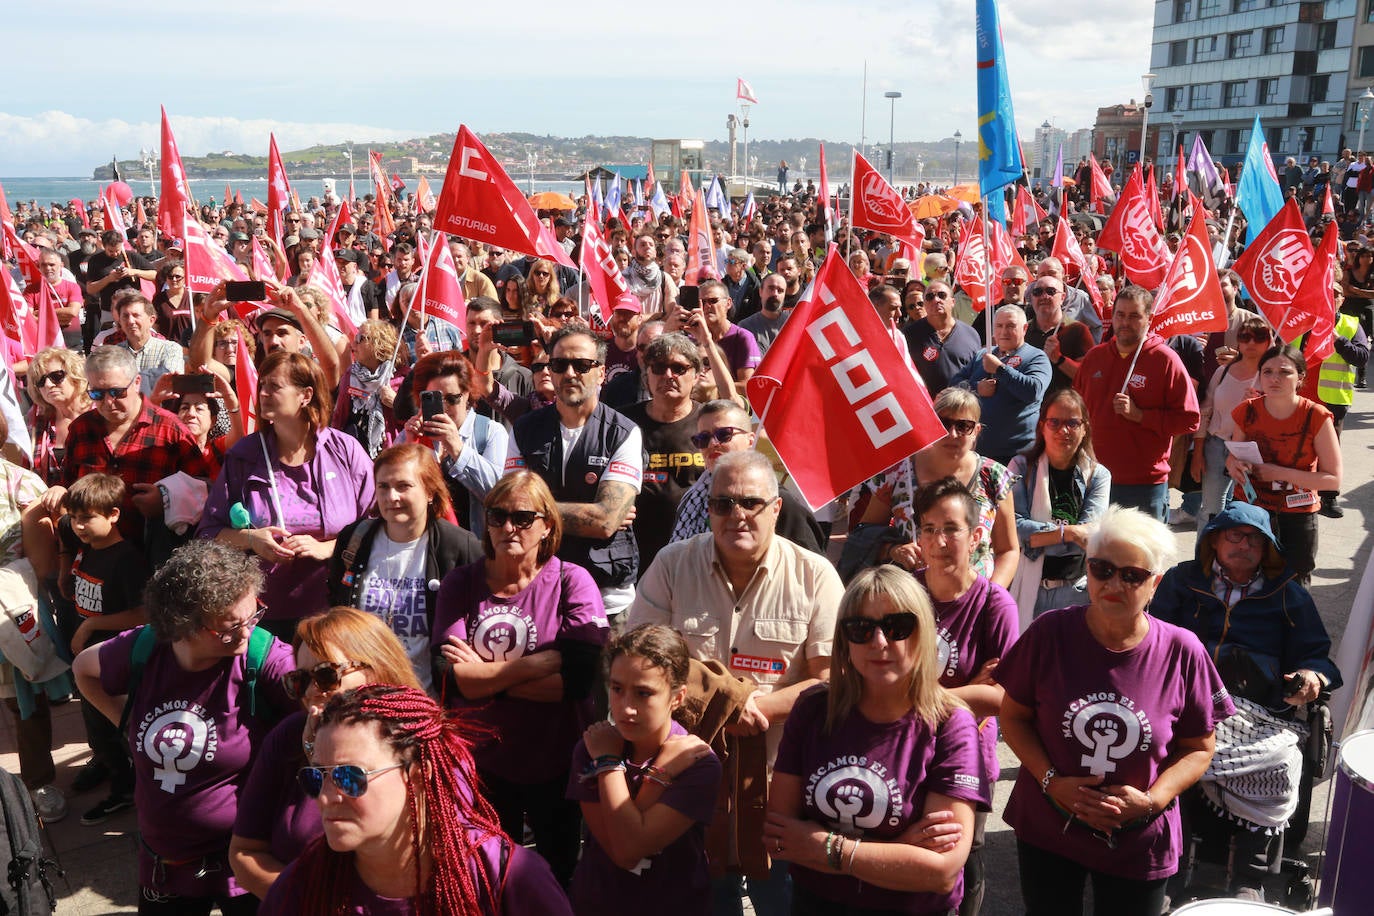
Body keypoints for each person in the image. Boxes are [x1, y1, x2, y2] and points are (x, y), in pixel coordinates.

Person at [628, 450, 842, 916]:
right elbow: (638, 655)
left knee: (785, 904)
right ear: (707, 509)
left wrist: (758, 709)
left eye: (750, 503)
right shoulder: (672, 564)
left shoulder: (815, 574)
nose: (736, 515)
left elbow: (833, 681)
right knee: (706, 903)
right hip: (686, 784)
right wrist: (726, 701)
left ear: (776, 508)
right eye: (722, 504)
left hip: (782, 784)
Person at [997, 506, 1234, 916]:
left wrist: (1152, 801)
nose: (1113, 583)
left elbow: (1199, 746)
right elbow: (1013, 717)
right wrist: (1052, 782)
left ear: (1155, 584)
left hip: (1139, 839)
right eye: (1102, 569)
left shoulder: (1183, 651)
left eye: (1132, 575)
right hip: (1049, 826)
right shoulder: (1049, 632)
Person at [72, 540, 294, 913]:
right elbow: (83, 669)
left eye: (252, 616)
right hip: (167, 866)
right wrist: (126, 726)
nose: (246, 633)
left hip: (243, 865)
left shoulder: (259, 656)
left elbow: (326, 695)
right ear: (182, 625)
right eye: (229, 627)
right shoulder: (143, 649)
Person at [764, 565, 989, 915]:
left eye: (897, 627)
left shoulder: (950, 723)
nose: (879, 642)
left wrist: (827, 847)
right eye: (861, 629)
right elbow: (780, 838)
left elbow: (941, 871)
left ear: (924, 633)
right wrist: (899, 849)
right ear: (844, 640)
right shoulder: (812, 710)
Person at [1152, 504, 1341, 901]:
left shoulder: (1287, 592)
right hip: (1190, 700)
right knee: (1168, 750)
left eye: (1253, 538)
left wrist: (1312, 677)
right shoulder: (1182, 581)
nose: (1244, 544)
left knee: (1280, 761)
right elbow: (1151, 636)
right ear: (1214, 542)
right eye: (1234, 536)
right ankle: (1173, 864)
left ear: (1267, 547)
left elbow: (1317, 655)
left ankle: (1249, 877)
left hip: (1263, 711)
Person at [433, 472, 609, 887]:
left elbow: (577, 682)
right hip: (482, 763)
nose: (508, 527)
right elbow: (452, 681)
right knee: (490, 876)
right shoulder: (462, 582)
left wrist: (486, 677)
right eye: (497, 516)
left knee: (559, 875)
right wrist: (536, 665)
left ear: (547, 524)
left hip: (559, 763)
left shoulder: (571, 581)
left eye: (523, 517)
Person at [258, 684, 572, 914]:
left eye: (349, 777)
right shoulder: (303, 887)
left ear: (420, 776)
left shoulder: (504, 877)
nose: (325, 798)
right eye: (316, 777)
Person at [229, 607, 423, 900]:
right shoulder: (288, 736)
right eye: (300, 679)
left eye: (326, 674)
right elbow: (244, 852)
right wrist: (312, 903)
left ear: (378, 667)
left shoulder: (423, 741)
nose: (311, 691)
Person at [201, 351, 375, 641]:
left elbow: (377, 525)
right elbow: (208, 532)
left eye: (275, 386)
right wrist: (250, 539)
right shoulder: (244, 456)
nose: (264, 393)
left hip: (336, 611)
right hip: (263, 616)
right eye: (262, 385)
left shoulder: (345, 451)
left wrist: (331, 547)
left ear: (306, 395)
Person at [912, 480, 1018, 916]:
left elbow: (1000, 697)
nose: (939, 541)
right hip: (904, 753)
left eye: (951, 528)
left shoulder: (994, 604)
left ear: (977, 536)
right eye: (929, 528)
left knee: (963, 863)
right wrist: (967, 688)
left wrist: (916, 695)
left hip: (966, 758)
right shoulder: (902, 593)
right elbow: (873, 681)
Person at [566, 624, 721, 914]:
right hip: (599, 904)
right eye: (617, 689)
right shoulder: (592, 748)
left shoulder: (698, 761)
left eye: (643, 693)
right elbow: (619, 848)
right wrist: (657, 775)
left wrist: (609, 765)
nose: (626, 708)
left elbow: (629, 849)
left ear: (677, 697)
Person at [505, 327, 642, 620]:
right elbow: (508, 509)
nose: (569, 373)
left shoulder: (624, 433)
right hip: (539, 592)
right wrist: (590, 512)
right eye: (559, 365)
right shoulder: (524, 429)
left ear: (601, 373)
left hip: (606, 600)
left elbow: (605, 521)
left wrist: (533, 512)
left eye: (581, 365)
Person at [327, 444, 482, 690]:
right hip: (361, 701)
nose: (392, 497)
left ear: (430, 491)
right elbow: (335, 608)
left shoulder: (459, 546)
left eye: (403, 486)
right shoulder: (353, 540)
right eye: (384, 487)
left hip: (426, 701)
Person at [37, 346, 209, 549]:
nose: (108, 402)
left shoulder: (171, 430)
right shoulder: (81, 429)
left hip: (150, 559)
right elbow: (70, 486)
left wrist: (166, 499)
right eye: (97, 394)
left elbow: (204, 488)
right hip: (94, 560)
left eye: (117, 392)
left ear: (137, 383)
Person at [56, 474, 149, 823]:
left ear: (113, 514)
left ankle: (128, 790)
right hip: (88, 663)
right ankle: (118, 777)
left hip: (113, 663)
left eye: (86, 517)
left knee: (119, 730)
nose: (78, 525)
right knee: (97, 730)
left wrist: (92, 625)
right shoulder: (87, 549)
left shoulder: (127, 559)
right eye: (74, 518)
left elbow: (142, 613)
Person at [861, 387, 1019, 588]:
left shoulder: (994, 476)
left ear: (976, 431)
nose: (952, 434)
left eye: (963, 426)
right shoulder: (898, 472)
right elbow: (864, 533)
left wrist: (990, 597)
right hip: (908, 597)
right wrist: (893, 550)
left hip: (971, 603)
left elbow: (1008, 550)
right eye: (943, 424)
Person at [1073, 285, 1200, 522]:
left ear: (1149, 319)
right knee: (1095, 555)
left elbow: (1189, 420)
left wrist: (1141, 415)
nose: (1125, 322)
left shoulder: (1165, 359)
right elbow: (1077, 408)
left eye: (1134, 316)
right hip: (1094, 477)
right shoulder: (1095, 357)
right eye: (1120, 315)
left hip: (1143, 484)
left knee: (1142, 558)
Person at [1225, 344, 1341, 584]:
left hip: (1297, 515)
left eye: (1284, 372)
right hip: (1251, 509)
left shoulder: (1316, 416)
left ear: (1301, 377)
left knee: (1294, 587)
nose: (1274, 378)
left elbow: (1332, 478)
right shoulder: (1246, 411)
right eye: (1267, 372)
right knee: (1244, 580)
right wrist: (1234, 466)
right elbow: (1235, 455)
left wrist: (1279, 473)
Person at [1007, 389, 1112, 623]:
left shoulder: (1098, 476)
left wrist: (1037, 538)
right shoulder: (1020, 467)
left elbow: (1090, 536)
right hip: (1027, 586)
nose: (1063, 430)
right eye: (1054, 422)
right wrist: (1070, 533)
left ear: (1084, 428)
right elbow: (1014, 528)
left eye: (1073, 423)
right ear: (1042, 426)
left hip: (1076, 590)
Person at [669, 399, 825, 553]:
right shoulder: (692, 498)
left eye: (723, 434)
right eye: (703, 438)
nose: (712, 444)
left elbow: (810, 569)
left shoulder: (774, 500)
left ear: (751, 440)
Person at [620, 333, 705, 571]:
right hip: (634, 557)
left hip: (696, 556)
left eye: (678, 368)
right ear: (646, 375)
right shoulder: (622, 423)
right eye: (658, 367)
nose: (668, 375)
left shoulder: (711, 422)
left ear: (696, 375)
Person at [403, 350, 507, 536]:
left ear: (467, 394)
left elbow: (501, 496)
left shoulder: (491, 432)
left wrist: (457, 449)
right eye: (433, 399)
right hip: (425, 548)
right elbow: (392, 493)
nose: (444, 408)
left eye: (452, 399)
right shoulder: (412, 435)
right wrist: (411, 449)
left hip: (474, 551)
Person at [1191, 316, 1270, 532]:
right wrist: (1198, 453)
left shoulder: (1272, 378)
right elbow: (1205, 411)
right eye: (1245, 337)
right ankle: (1204, 562)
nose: (1251, 343)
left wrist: (1258, 403)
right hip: (1217, 446)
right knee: (1211, 511)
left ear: (1269, 340)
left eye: (1259, 337)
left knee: (1245, 513)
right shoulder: (1223, 371)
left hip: (1251, 453)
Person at [949, 305, 1051, 467]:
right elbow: (953, 385)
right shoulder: (983, 355)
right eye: (999, 326)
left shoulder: (1036, 357)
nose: (1004, 331)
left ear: (1024, 328)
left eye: (1011, 326)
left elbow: (1033, 391)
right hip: (978, 453)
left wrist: (999, 369)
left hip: (1018, 456)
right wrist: (976, 388)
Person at [903, 281, 982, 395]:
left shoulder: (971, 334)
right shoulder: (908, 335)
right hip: (925, 407)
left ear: (953, 301)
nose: (936, 300)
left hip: (960, 408)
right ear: (924, 304)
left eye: (942, 295)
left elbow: (977, 374)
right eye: (930, 297)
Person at [24, 347, 89, 487]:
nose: (48, 385)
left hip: (91, 502)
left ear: (76, 375)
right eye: (41, 381)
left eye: (57, 376)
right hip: (47, 503)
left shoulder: (99, 414)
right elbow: (26, 472)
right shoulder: (37, 421)